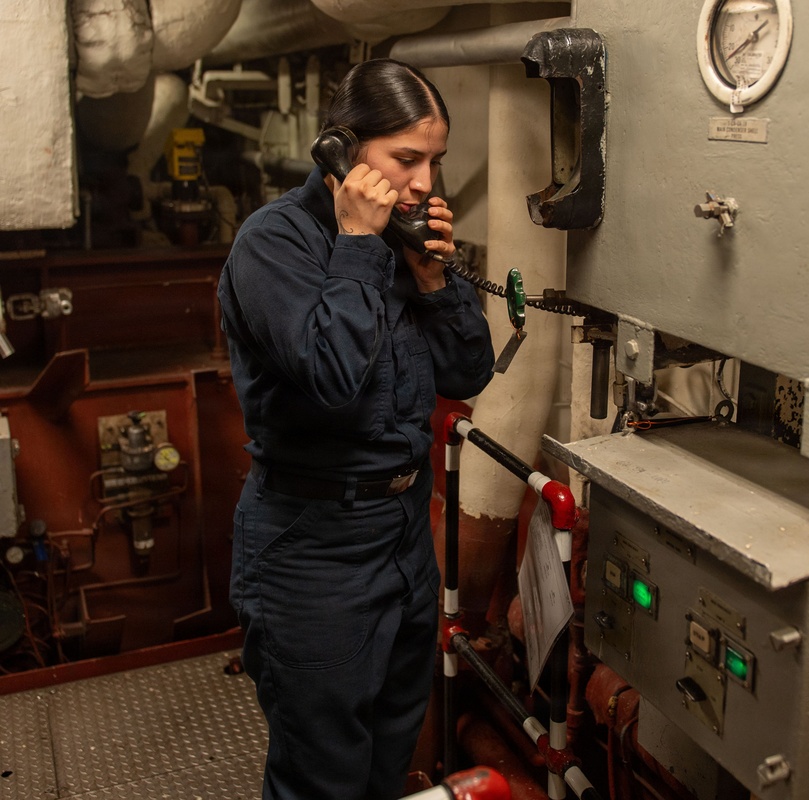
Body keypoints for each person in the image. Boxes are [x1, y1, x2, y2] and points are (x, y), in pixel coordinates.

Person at [217, 58, 495, 799]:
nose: (426, 183)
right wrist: (361, 246)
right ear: (343, 149)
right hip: (313, 548)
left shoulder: (405, 243)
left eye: (434, 161)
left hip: (403, 539)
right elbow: (333, 380)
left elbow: (468, 373)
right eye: (407, 159)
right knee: (323, 774)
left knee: (386, 755)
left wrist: (436, 278)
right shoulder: (274, 244)